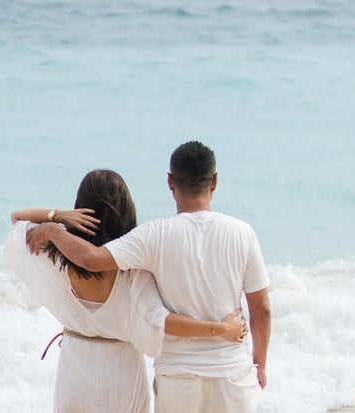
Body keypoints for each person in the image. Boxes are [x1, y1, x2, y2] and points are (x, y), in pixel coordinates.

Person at [25, 141, 271, 413]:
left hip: (179, 377)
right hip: (233, 372)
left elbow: (91, 260)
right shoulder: (243, 233)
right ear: (214, 181)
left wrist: (55, 230)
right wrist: (260, 364)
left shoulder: (154, 236)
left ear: (170, 182)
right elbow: (262, 310)